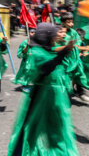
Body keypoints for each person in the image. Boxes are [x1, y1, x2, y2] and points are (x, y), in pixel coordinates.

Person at [7, 23, 79, 156]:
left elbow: (56, 54)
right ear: (46, 37)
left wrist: (67, 48)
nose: (55, 38)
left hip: (51, 93)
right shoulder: (37, 51)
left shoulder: (45, 49)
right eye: (52, 36)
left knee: (53, 127)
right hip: (42, 95)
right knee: (37, 128)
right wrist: (64, 51)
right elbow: (46, 67)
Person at [61, 12, 89, 103]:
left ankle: (81, 93)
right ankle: (63, 96)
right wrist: (85, 48)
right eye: (68, 22)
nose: (71, 24)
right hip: (65, 61)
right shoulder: (62, 33)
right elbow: (70, 47)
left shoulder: (73, 32)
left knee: (79, 75)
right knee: (66, 79)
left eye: (72, 21)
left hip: (75, 59)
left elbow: (78, 43)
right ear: (63, 23)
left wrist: (83, 50)